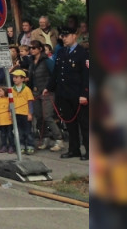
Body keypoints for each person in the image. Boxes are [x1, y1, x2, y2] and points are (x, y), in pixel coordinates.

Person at [53, 26, 89, 161]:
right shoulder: (62, 52)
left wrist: (85, 94)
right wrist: (49, 87)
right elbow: (57, 73)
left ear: (74, 36)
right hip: (65, 94)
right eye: (62, 36)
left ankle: (89, 150)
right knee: (70, 124)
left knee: (84, 125)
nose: (64, 38)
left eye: (66, 35)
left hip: (78, 94)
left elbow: (86, 75)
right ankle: (74, 149)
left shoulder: (82, 53)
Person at [27, 41, 62, 151]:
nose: (32, 50)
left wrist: (49, 88)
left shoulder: (47, 61)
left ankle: (59, 139)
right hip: (36, 92)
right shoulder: (32, 62)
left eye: (34, 48)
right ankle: (45, 138)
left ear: (40, 49)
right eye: (30, 48)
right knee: (39, 116)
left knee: (47, 116)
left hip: (47, 92)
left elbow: (55, 75)